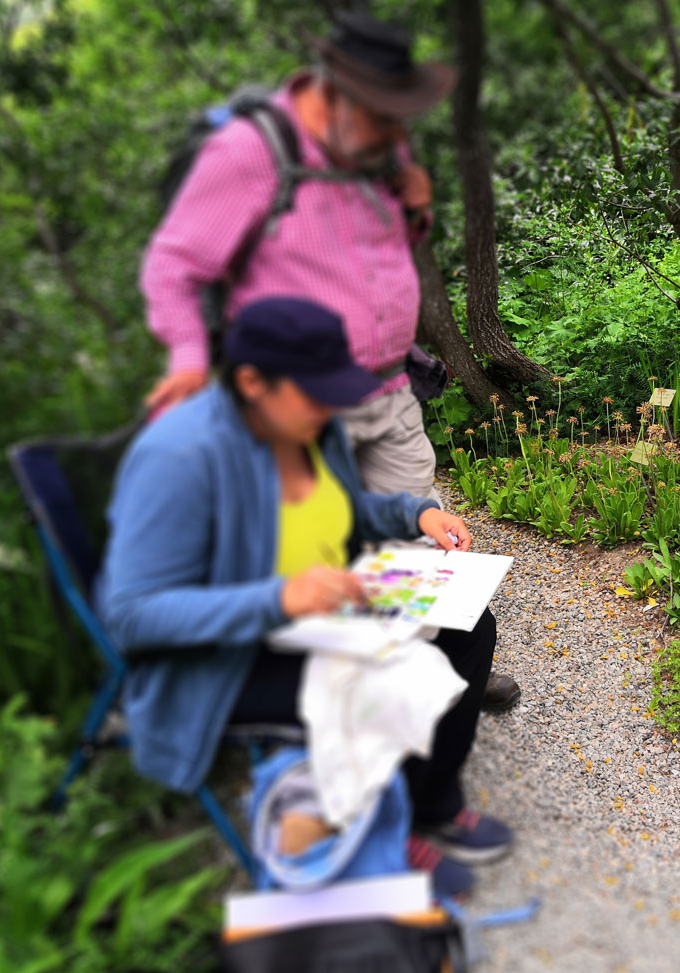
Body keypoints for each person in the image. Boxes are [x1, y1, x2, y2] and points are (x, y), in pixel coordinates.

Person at [138, 8, 521, 712]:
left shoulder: (380, 148)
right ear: (335, 95)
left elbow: (383, 251)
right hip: (303, 407)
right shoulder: (251, 153)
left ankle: (449, 672)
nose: (397, 141)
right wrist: (189, 358)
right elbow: (174, 265)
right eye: (385, 122)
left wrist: (418, 209)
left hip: (389, 390)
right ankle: (341, 717)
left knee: (422, 551)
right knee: (330, 560)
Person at [98, 297, 512, 897]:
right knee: (388, 675)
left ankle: (430, 802)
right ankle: (379, 838)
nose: (332, 407)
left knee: (470, 629)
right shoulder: (180, 456)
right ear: (250, 381)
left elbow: (343, 510)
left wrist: (416, 512)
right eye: (316, 392)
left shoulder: (308, 425)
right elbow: (132, 615)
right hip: (231, 648)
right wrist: (282, 597)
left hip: (327, 605)